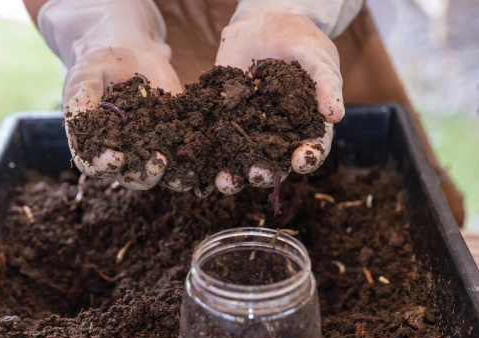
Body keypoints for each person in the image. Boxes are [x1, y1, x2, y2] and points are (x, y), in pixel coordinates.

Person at [23, 0, 465, 226]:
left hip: (301, 28)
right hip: (135, 34)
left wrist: (290, 10)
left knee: (415, 210)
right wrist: (105, 29)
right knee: (158, 201)